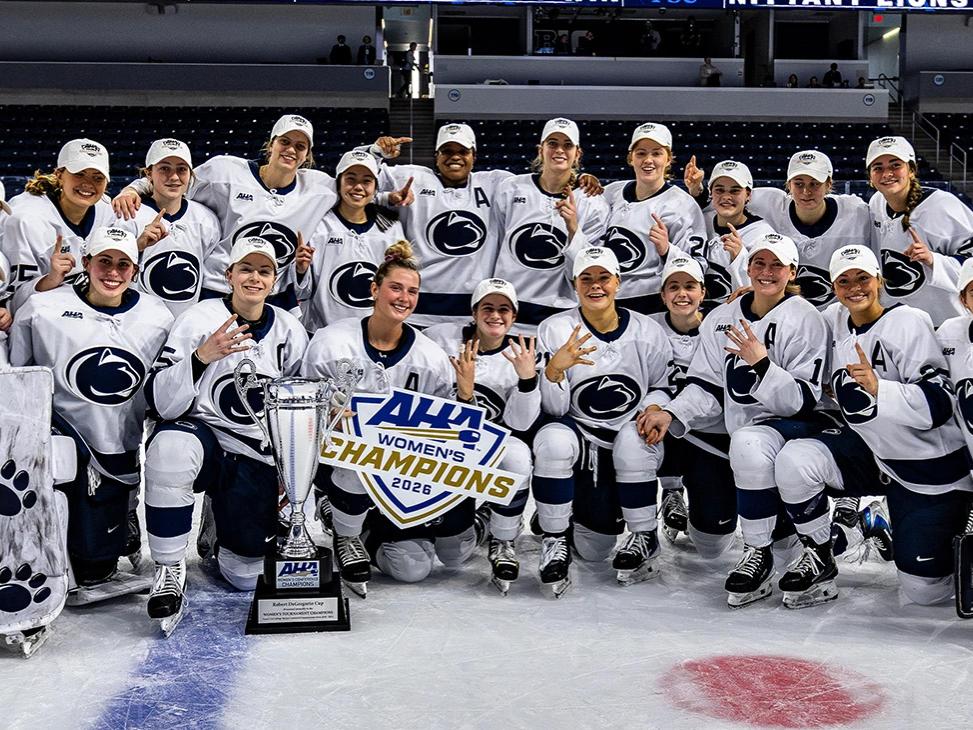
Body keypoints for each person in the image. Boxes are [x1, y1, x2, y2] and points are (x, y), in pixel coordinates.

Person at [773, 245, 971, 608]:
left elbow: (939, 405)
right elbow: (790, 314)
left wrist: (883, 389)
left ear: (879, 280)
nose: (854, 287)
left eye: (863, 277)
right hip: (870, 451)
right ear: (834, 287)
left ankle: (884, 519)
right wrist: (750, 297)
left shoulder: (908, 321)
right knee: (795, 460)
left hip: (925, 465)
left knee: (924, 594)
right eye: (843, 281)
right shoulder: (832, 319)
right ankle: (820, 554)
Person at [640, 233, 831, 608]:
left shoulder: (806, 318)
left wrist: (762, 365)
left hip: (796, 429)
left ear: (792, 271)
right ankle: (769, 536)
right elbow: (708, 386)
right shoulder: (722, 317)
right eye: (759, 262)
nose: (766, 271)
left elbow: (801, 401)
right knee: (710, 543)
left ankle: (774, 545)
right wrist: (673, 412)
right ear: (747, 267)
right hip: (738, 436)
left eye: (777, 264)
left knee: (751, 444)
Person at [141, 236, 309, 629]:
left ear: (275, 279)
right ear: (229, 274)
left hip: (255, 454)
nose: (254, 277)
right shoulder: (197, 319)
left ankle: (221, 528)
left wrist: (292, 472)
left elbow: (299, 411)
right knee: (170, 449)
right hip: (204, 438)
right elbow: (163, 404)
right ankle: (168, 569)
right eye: (246, 269)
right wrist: (202, 358)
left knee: (243, 576)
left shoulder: (289, 331)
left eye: (264, 271)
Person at [8, 226, 174, 605]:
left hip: (119, 438)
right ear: (86, 263)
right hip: (57, 440)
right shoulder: (43, 308)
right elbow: (21, 374)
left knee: (98, 557)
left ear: (135, 268)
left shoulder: (156, 315)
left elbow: (161, 382)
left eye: (123, 264)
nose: (113, 272)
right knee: (55, 523)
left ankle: (104, 550)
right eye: (104, 262)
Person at [301, 241, 461, 595]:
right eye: (395, 287)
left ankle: (368, 527)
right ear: (374, 289)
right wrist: (327, 410)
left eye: (412, 291)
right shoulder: (332, 342)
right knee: (361, 449)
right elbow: (301, 407)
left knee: (411, 568)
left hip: (401, 467)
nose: (404, 297)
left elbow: (443, 429)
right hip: (339, 458)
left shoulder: (431, 356)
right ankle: (345, 530)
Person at [533, 246, 675, 595]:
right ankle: (554, 536)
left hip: (627, 435)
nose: (595, 286)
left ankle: (644, 535)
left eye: (603, 278)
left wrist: (655, 408)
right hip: (579, 435)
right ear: (574, 284)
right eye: (586, 279)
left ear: (618, 282)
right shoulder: (555, 329)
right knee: (552, 439)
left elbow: (662, 386)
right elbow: (553, 409)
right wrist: (554, 370)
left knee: (632, 442)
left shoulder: (646, 330)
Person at [113, 114, 334, 313]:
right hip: (218, 291)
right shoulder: (224, 171)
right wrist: (134, 188)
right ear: (271, 144)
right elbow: (175, 179)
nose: (291, 150)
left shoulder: (319, 188)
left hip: (275, 297)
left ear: (308, 154)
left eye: (300, 146)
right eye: (284, 142)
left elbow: (358, 186)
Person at [424, 279, 540, 594]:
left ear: (514, 316)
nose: (496, 315)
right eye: (487, 308)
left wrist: (527, 380)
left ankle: (503, 540)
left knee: (517, 456)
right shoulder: (439, 340)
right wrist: (464, 395)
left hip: (496, 442)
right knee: (452, 555)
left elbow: (521, 422)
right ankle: (482, 518)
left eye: (504, 309)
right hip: (445, 444)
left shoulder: (522, 354)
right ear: (474, 312)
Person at [364, 124, 513, 328]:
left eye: (463, 151)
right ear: (436, 155)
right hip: (416, 309)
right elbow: (353, 179)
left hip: (471, 312)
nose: (455, 157)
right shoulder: (413, 178)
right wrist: (376, 153)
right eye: (447, 151)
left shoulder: (494, 184)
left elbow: (541, 185)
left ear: (474, 156)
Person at [689, 150, 872, 310]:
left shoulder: (855, 210)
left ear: (828, 184)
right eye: (799, 183)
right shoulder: (770, 201)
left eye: (814, 183)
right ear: (788, 184)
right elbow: (726, 201)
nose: (806, 191)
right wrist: (698, 191)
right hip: (788, 310)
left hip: (837, 310)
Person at [649, 255, 738, 557]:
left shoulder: (724, 324)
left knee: (711, 545)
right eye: (673, 287)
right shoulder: (647, 328)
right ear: (663, 295)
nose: (681, 294)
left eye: (690, 286)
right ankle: (670, 487)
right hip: (667, 433)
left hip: (711, 436)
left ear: (703, 292)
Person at [492, 118, 609, 333]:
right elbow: (494, 243)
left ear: (578, 153)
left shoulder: (593, 203)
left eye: (567, 145)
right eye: (553, 143)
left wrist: (573, 227)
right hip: (505, 312)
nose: (560, 150)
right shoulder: (511, 188)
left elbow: (587, 269)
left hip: (559, 316)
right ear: (541, 149)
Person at [592, 123, 706, 316]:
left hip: (652, 304)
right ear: (631, 158)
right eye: (641, 153)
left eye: (656, 153)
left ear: (668, 159)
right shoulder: (613, 192)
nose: (648, 160)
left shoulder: (682, 204)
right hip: (608, 299)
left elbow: (698, 265)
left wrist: (667, 250)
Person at [866, 135, 973, 326]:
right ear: (870, 177)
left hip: (945, 324)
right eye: (878, 168)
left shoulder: (943, 206)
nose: (887, 173)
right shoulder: (876, 204)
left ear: (911, 170)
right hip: (897, 323)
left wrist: (934, 261)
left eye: (895, 165)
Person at [112, 139, 221, 317]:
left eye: (181, 169)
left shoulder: (206, 220)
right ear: (149, 173)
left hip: (185, 322)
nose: (174, 177)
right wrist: (136, 246)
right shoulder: (128, 215)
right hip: (136, 320)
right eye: (164, 168)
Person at [2, 139, 114, 311]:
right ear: (59, 174)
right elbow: (13, 299)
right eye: (79, 173)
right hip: (37, 316)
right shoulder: (25, 219)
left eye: (98, 177)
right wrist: (51, 279)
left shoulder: (107, 209)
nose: (88, 183)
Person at [299, 149, 405, 331]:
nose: (358, 187)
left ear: (376, 187)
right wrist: (300, 270)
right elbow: (304, 290)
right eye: (351, 179)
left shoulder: (391, 228)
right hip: (323, 331)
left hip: (374, 334)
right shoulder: (319, 224)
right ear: (338, 182)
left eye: (366, 181)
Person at [695, 160, 776, 307]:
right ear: (711, 193)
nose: (726, 197)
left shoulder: (763, 235)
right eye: (719, 190)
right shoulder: (701, 220)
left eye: (735, 190)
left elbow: (767, 290)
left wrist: (740, 257)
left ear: (748, 195)